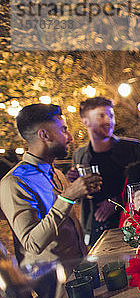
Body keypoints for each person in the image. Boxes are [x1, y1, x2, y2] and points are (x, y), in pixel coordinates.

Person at [0, 104, 100, 271]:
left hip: (82, 272)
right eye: (63, 129)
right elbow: (32, 243)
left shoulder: (57, 174)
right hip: (54, 287)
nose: (70, 137)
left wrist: (82, 192)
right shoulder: (14, 183)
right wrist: (67, 197)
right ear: (44, 135)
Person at [67, 97, 140, 246]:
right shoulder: (80, 155)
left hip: (133, 223)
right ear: (85, 121)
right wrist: (74, 184)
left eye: (111, 115)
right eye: (101, 116)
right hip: (96, 229)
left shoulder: (134, 149)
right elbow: (79, 200)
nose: (109, 120)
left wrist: (115, 202)